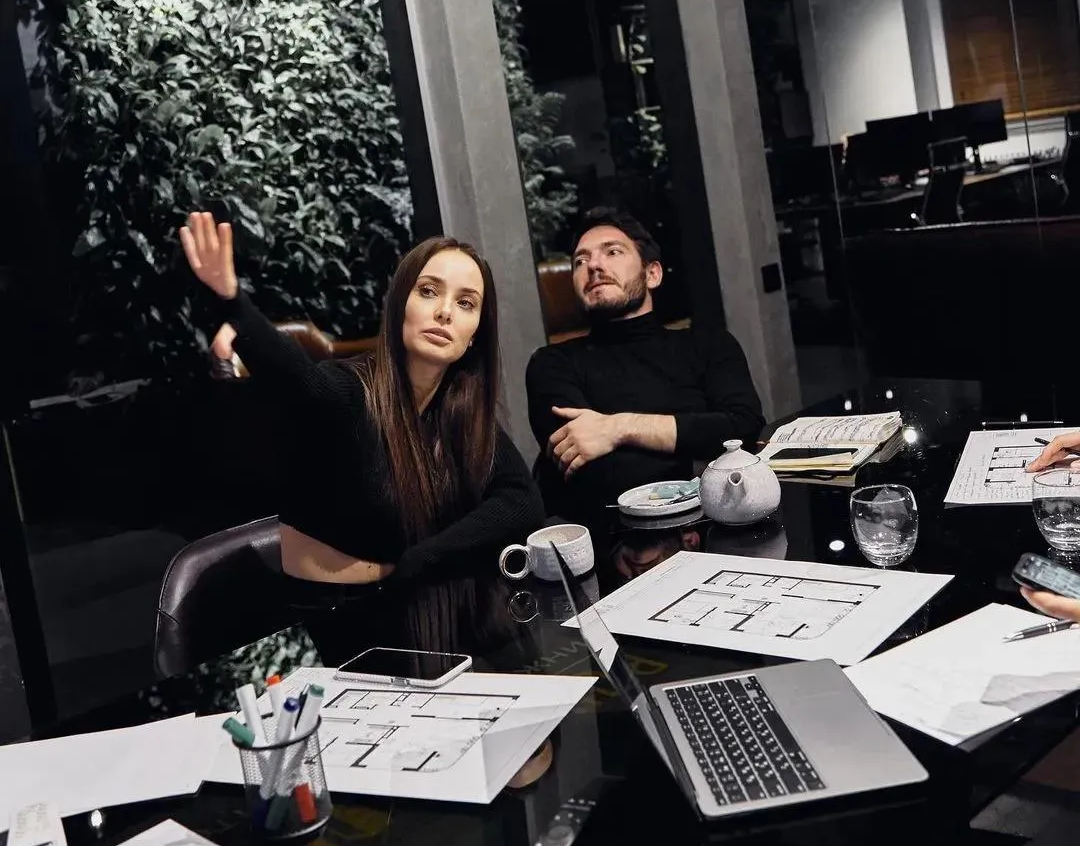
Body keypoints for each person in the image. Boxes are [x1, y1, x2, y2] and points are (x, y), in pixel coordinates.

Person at [179, 212, 543, 595]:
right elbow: (299, 379)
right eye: (428, 291)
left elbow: (522, 501)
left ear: (474, 336)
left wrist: (427, 559)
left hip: (413, 598)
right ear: (400, 305)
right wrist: (233, 303)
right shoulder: (351, 391)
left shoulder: (458, 409)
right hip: (328, 609)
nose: (445, 312)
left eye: (466, 303)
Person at [525, 207, 765, 521]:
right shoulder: (552, 364)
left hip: (722, 527)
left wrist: (617, 429)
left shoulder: (709, 344)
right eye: (580, 261)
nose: (593, 265)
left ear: (652, 274)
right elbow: (594, 477)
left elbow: (744, 428)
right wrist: (704, 457)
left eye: (612, 251)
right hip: (617, 538)